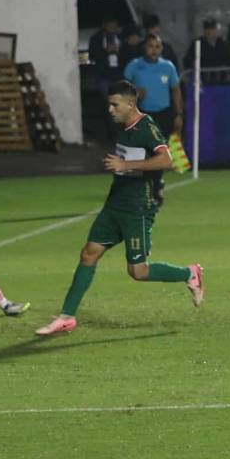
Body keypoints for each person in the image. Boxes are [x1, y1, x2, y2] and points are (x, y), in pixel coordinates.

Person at [35, 80, 203, 336]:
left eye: (115, 105)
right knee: (89, 254)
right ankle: (67, 317)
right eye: (109, 104)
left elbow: (168, 160)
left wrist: (126, 167)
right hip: (115, 204)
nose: (110, 110)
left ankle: (189, 273)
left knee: (138, 271)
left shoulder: (146, 127)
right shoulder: (124, 127)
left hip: (137, 208)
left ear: (130, 104)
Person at [124, 33, 183, 140]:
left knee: (163, 147)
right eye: (150, 46)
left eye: (157, 47)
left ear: (162, 48)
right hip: (142, 113)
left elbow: (176, 90)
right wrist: (134, 91)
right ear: (144, 47)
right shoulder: (134, 65)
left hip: (164, 114)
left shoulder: (168, 66)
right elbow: (122, 89)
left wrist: (178, 114)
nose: (154, 50)